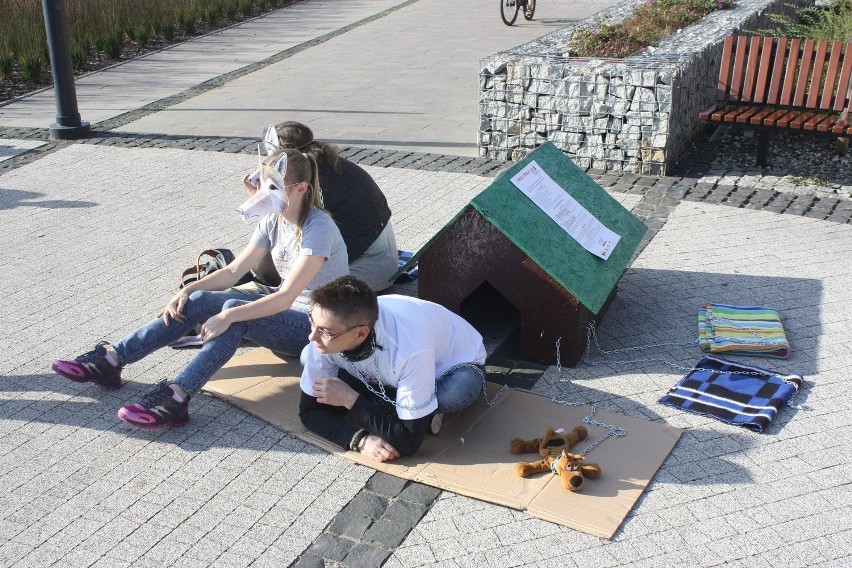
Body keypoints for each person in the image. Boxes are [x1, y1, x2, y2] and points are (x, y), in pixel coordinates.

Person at [51, 149, 349, 429]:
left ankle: (178, 395)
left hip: (318, 329)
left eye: (272, 187)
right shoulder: (273, 220)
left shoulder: (319, 228)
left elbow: (285, 298)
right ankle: (112, 359)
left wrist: (228, 316)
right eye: (262, 183)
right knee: (201, 298)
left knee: (234, 312)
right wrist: (186, 291)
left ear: (301, 189)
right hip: (286, 315)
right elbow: (233, 271)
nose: (261, 193)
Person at [299, 276, 487, 462]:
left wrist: (350, 399)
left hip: (453, 367)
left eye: (324, 331)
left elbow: (408, 443)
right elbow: (308, 412)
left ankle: (401, 404)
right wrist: (359, 440)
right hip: (392, 373)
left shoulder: (409, 348)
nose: (312, 336)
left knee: (456, 392)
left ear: (361, 333)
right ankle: (408, 408)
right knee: (306, 356)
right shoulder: (323, 339)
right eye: (312, 321)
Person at [243, 121, 398, 292]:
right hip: (376, 252)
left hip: (373, 265)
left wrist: (263, 200)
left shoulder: (319, 183)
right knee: (264, 252)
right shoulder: (317, 165)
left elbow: (293, 222)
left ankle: (273, 289)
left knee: (264, 259)